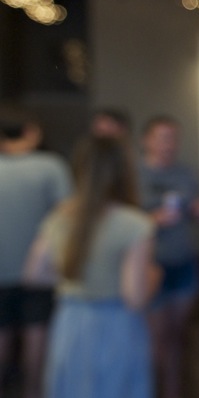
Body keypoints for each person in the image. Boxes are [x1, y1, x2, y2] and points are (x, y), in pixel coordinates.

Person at [23, 136, 160, 398]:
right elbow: (135, 297)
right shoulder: (135, 224)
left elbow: (34, 274)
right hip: (116, 324)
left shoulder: (60, 216)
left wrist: (76, 277)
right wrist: (154, 275)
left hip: (70, 322)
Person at [137, 115, 199, 398]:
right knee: (156, 341)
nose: (169, 144)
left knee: (178, 336)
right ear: (146, 140)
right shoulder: (135, 174)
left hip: (184, 261)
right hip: (149, 265)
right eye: (162, 137)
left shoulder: (185, 174)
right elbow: (118, 220)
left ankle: (175, 389)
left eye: (173, 138)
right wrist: (151, 218)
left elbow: (195, 206)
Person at [0, 104, 72, 398]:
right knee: (36, 347)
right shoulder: (51, 166)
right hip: (40, 274)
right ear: (32, 132)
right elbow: (68, 216)